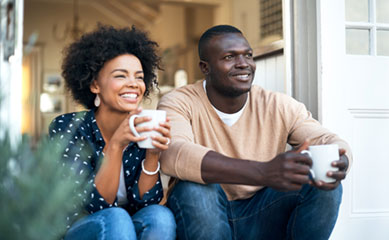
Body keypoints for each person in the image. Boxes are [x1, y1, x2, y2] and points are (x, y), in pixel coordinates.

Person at [158, 25, 352, 240]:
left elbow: (326, 139)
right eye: (229, 57)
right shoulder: (178, 101)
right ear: (205, 67)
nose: (243, 64)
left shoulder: (278, 104)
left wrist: (341, 159)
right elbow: (173, 153)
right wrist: (264, 171)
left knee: (321, 182)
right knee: (195, 189)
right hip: (203, 214)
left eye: (248, 55)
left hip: (262, 212)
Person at [49, 25, 176, 240]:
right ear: (95, 84)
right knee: (116, 218)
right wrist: (116, 145)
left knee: (160, 216)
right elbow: (95, 206)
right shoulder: (68, 128)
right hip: (80, 228)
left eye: (139, 77)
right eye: (121, 76)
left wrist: (152, 154)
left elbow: (145, 203)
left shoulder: (140, 128)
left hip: (124, 228)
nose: (133, 84)